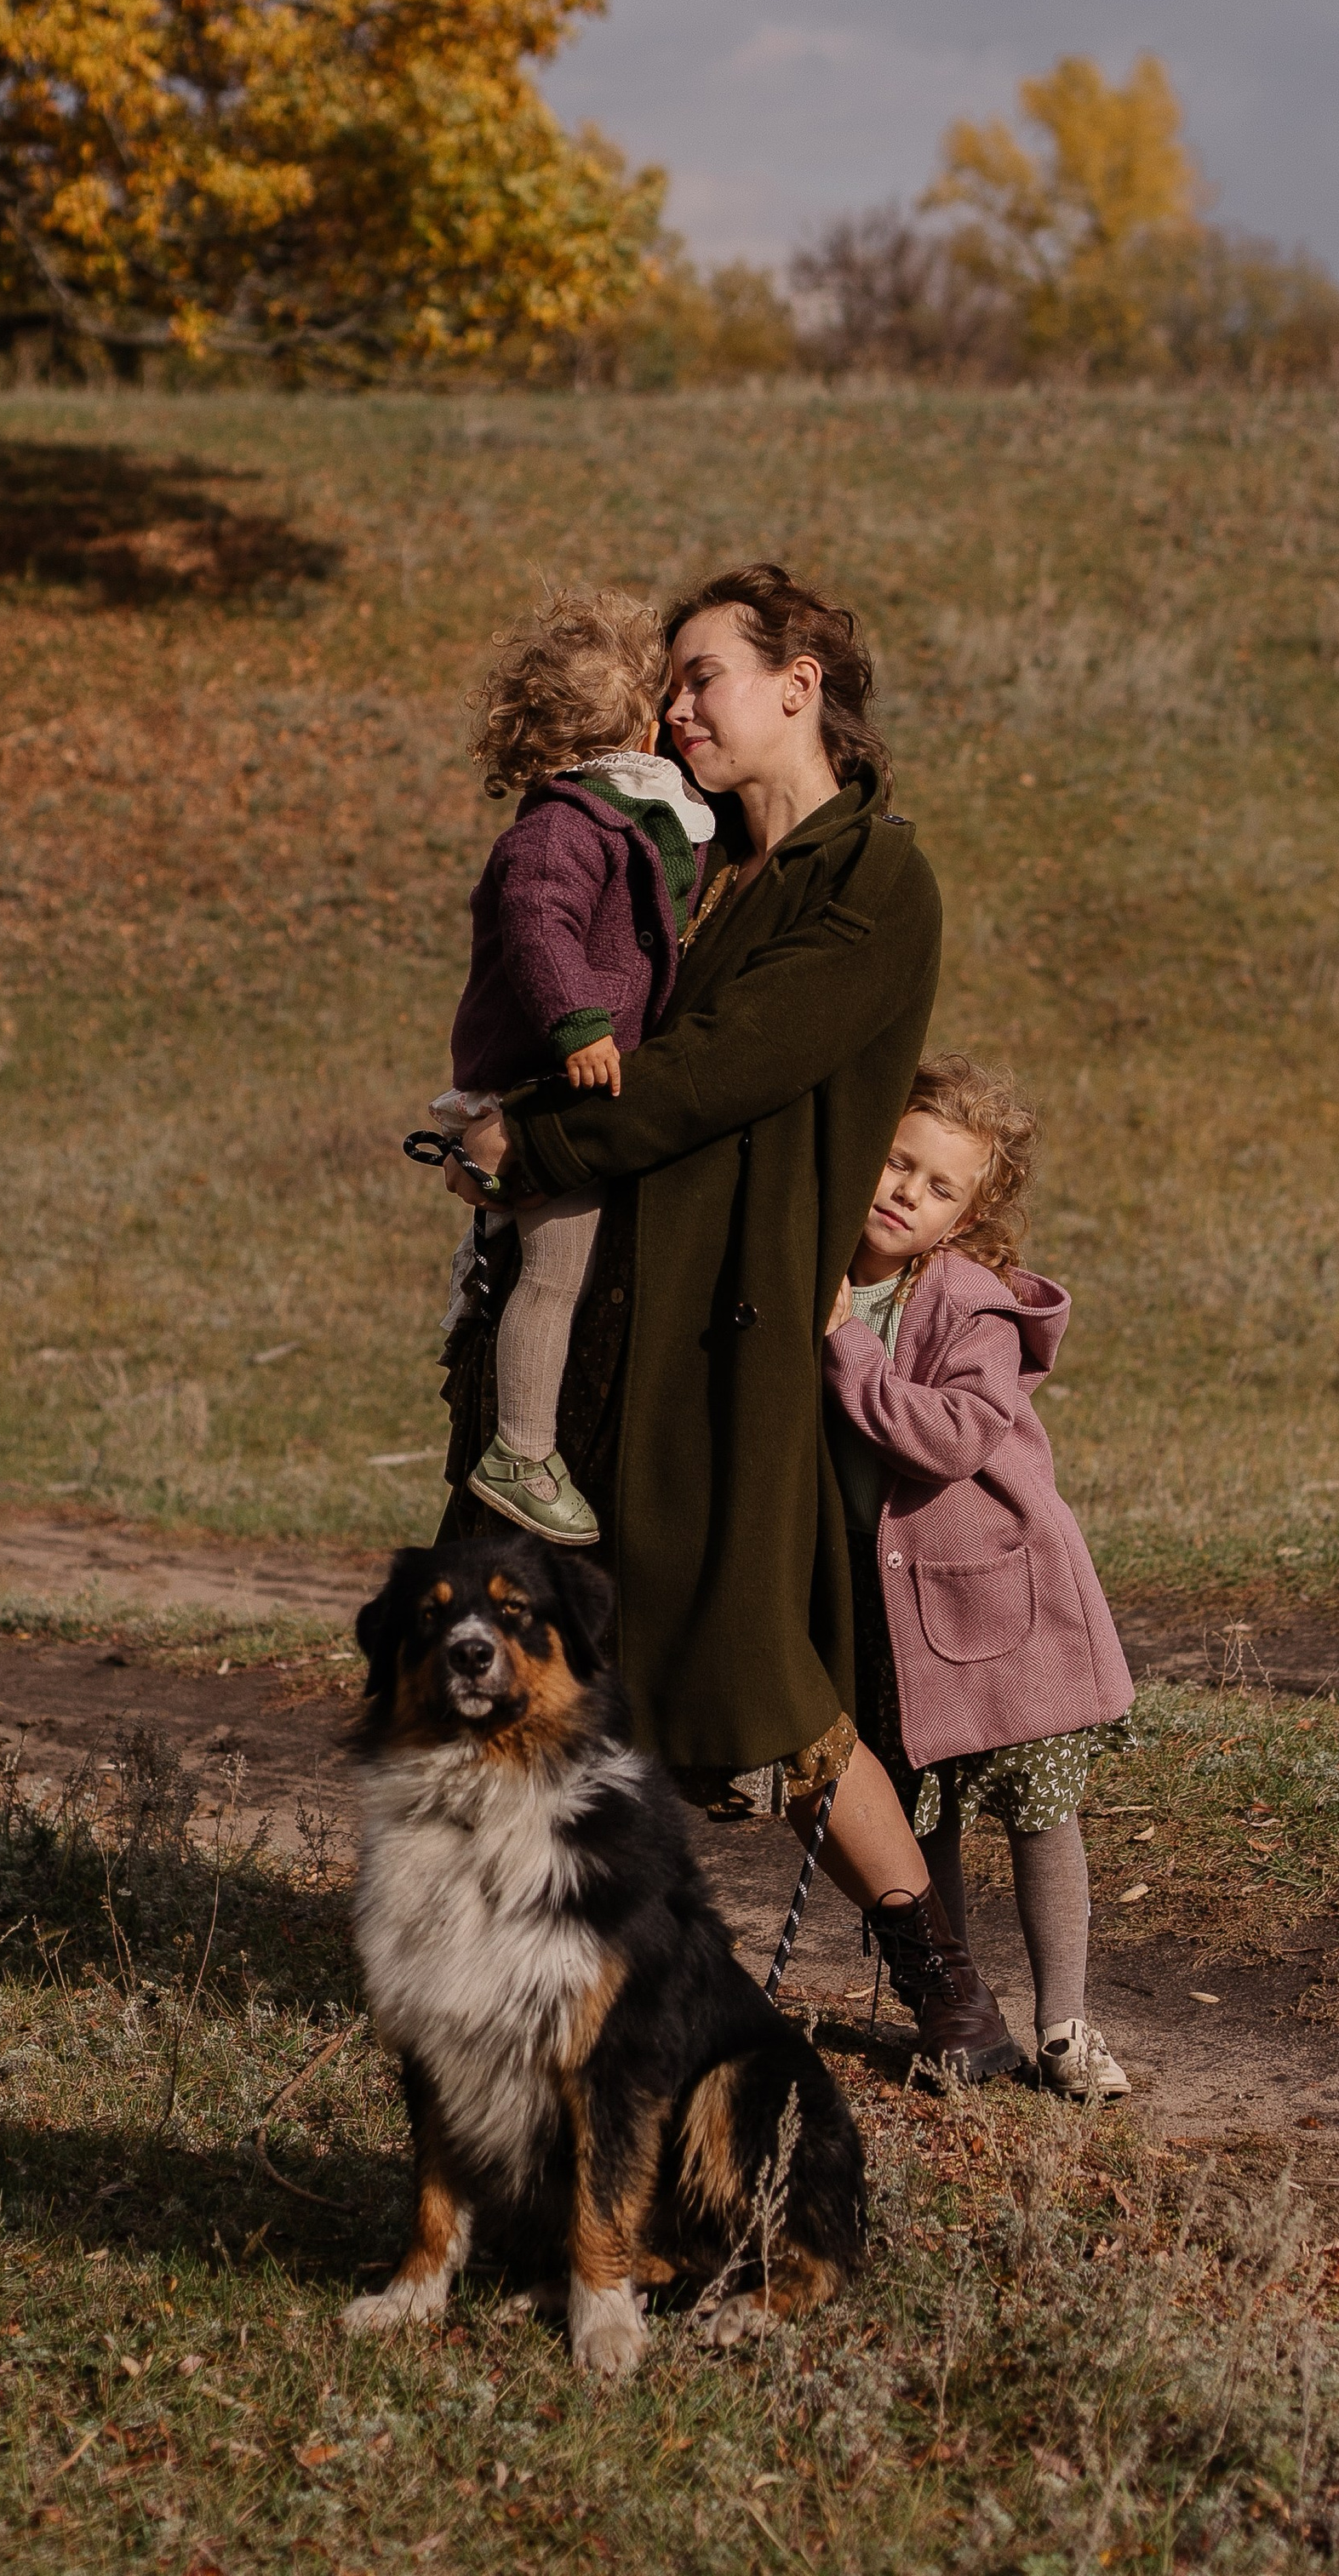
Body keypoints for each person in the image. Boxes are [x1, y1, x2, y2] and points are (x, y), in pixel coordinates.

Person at [439, 565, 1021, 2079]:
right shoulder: (686, 864)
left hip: (729, 1343)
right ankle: (531, 1987)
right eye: (669, 684)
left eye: (701, 676)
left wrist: (527, 1150)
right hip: (596, 1338)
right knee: (515, 1658)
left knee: (762, 1683)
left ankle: (943, 1988)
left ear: (801, 682)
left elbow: (714, 1079)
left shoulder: (873, 885)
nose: (676, 705)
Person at [822, 1053, 1137, 2095]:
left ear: (966, 1215)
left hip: (999, 1601)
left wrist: (847, 1353)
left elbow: (956, 1435)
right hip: (887, 1612)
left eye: (938, 1184)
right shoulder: (817, 1269)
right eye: (895, 1161)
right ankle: (960, 2017)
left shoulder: (963, 1297)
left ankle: (1067, 2027)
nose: (904, 1191)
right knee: (924, 1818)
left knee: (1040, 1813)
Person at [438, 585, 716, 1546]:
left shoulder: (629, 814)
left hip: (569, 1080)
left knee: (562, 1270)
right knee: (552, 1276)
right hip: (547, 1083)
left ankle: (528, 1440)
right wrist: (579, 1023)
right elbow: (537, 926)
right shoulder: (563, 826)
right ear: (641, 721)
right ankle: (521, 1446)